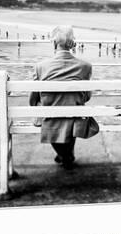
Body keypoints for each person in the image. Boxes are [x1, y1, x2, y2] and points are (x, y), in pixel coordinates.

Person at [29, 25, 92, 169]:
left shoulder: (40, 66)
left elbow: (33, 100)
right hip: (75, 117)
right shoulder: (85, 66)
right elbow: (86, 97)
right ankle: (66, 155)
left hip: (50, 117)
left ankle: (64, 155)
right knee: (73, 113)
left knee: (52, 115)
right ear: (73, 44)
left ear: (54, 43)